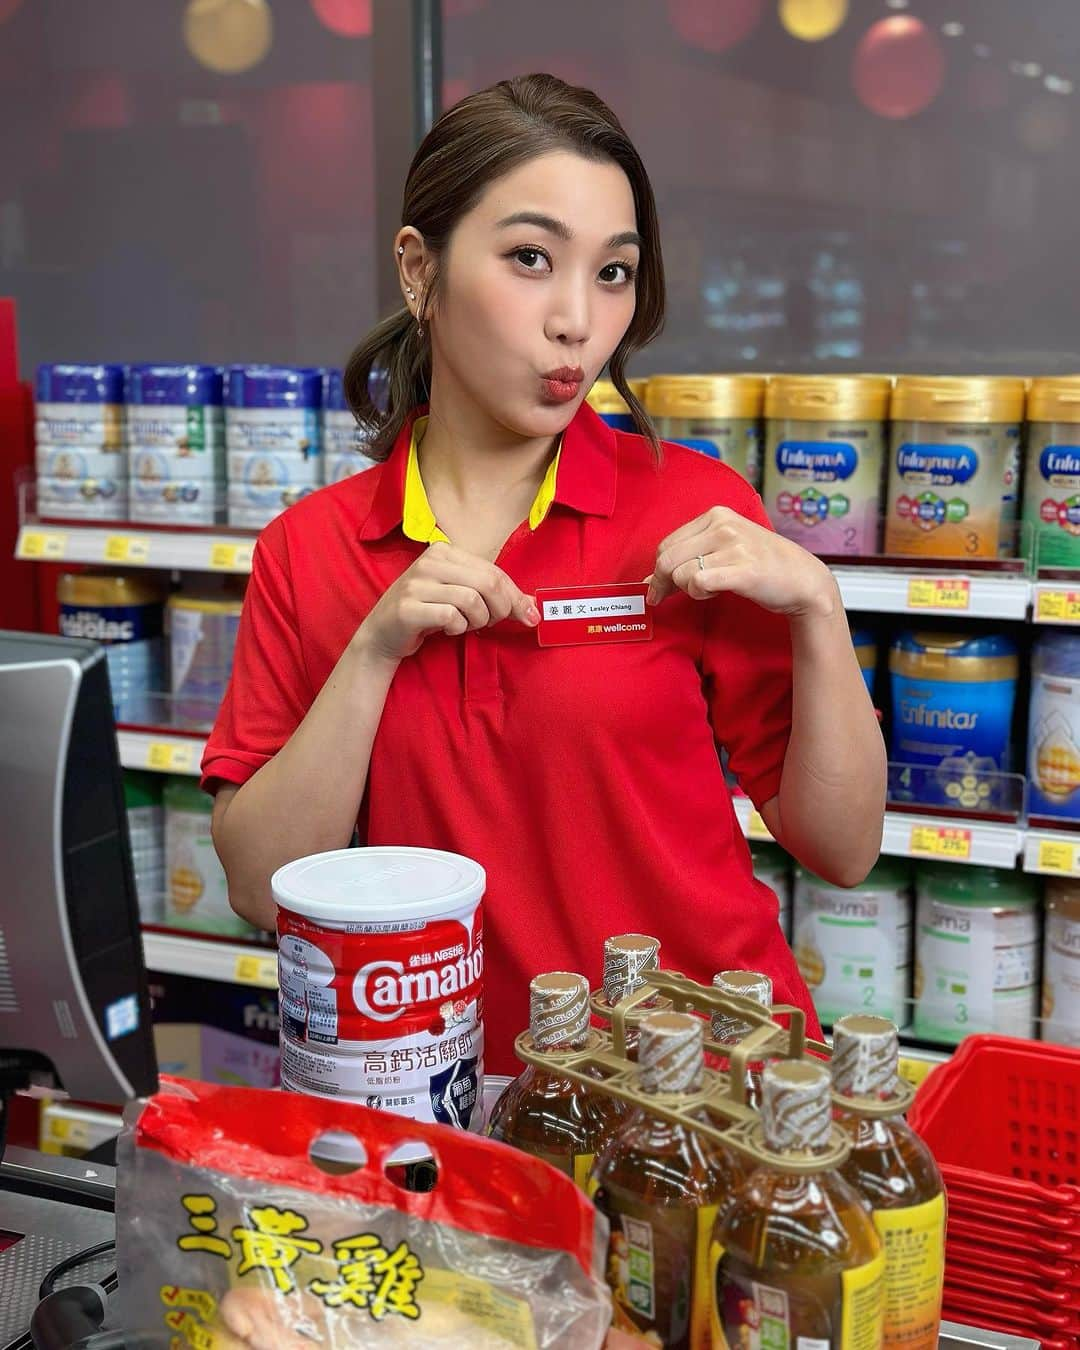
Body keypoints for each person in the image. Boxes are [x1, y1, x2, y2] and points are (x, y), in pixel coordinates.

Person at [203, 73, 886, 1077]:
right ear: (417, 269)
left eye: (613, 274)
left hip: (714, 1094)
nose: (577, 320)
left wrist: (820, 610)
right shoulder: (311, 550)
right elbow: (263, 887)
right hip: (470, 1105)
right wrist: (375, 650)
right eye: (531, 259)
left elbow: (842, 848)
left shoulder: (691, 514)